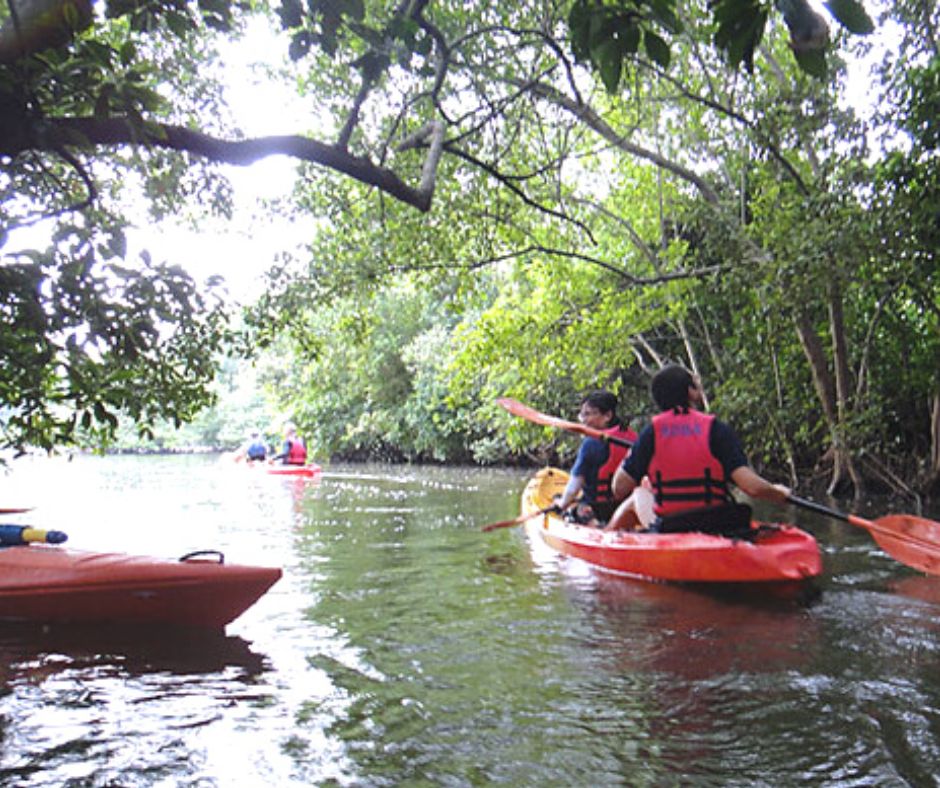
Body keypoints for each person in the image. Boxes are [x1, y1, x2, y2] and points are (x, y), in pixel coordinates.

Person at [607, 365, 789, 536]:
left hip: (672, 527)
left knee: (639, 493)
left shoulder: (650, 433)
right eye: (696, 384)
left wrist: (635, 459)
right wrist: (778, 492)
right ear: (690, 392)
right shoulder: (716, 429)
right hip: (719, 523)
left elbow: (619, 488)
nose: (700, 388)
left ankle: (608, 535)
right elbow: (752, 487)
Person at [554, 391, 638, 524]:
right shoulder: (633, 437)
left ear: (607, 416)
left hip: (597, 509)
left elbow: (574, 487)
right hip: (627, 508)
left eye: (588, 414)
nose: (583, 420)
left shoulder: (591, 443)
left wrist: (561, 504)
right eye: (582, 414)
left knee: (569, 508)